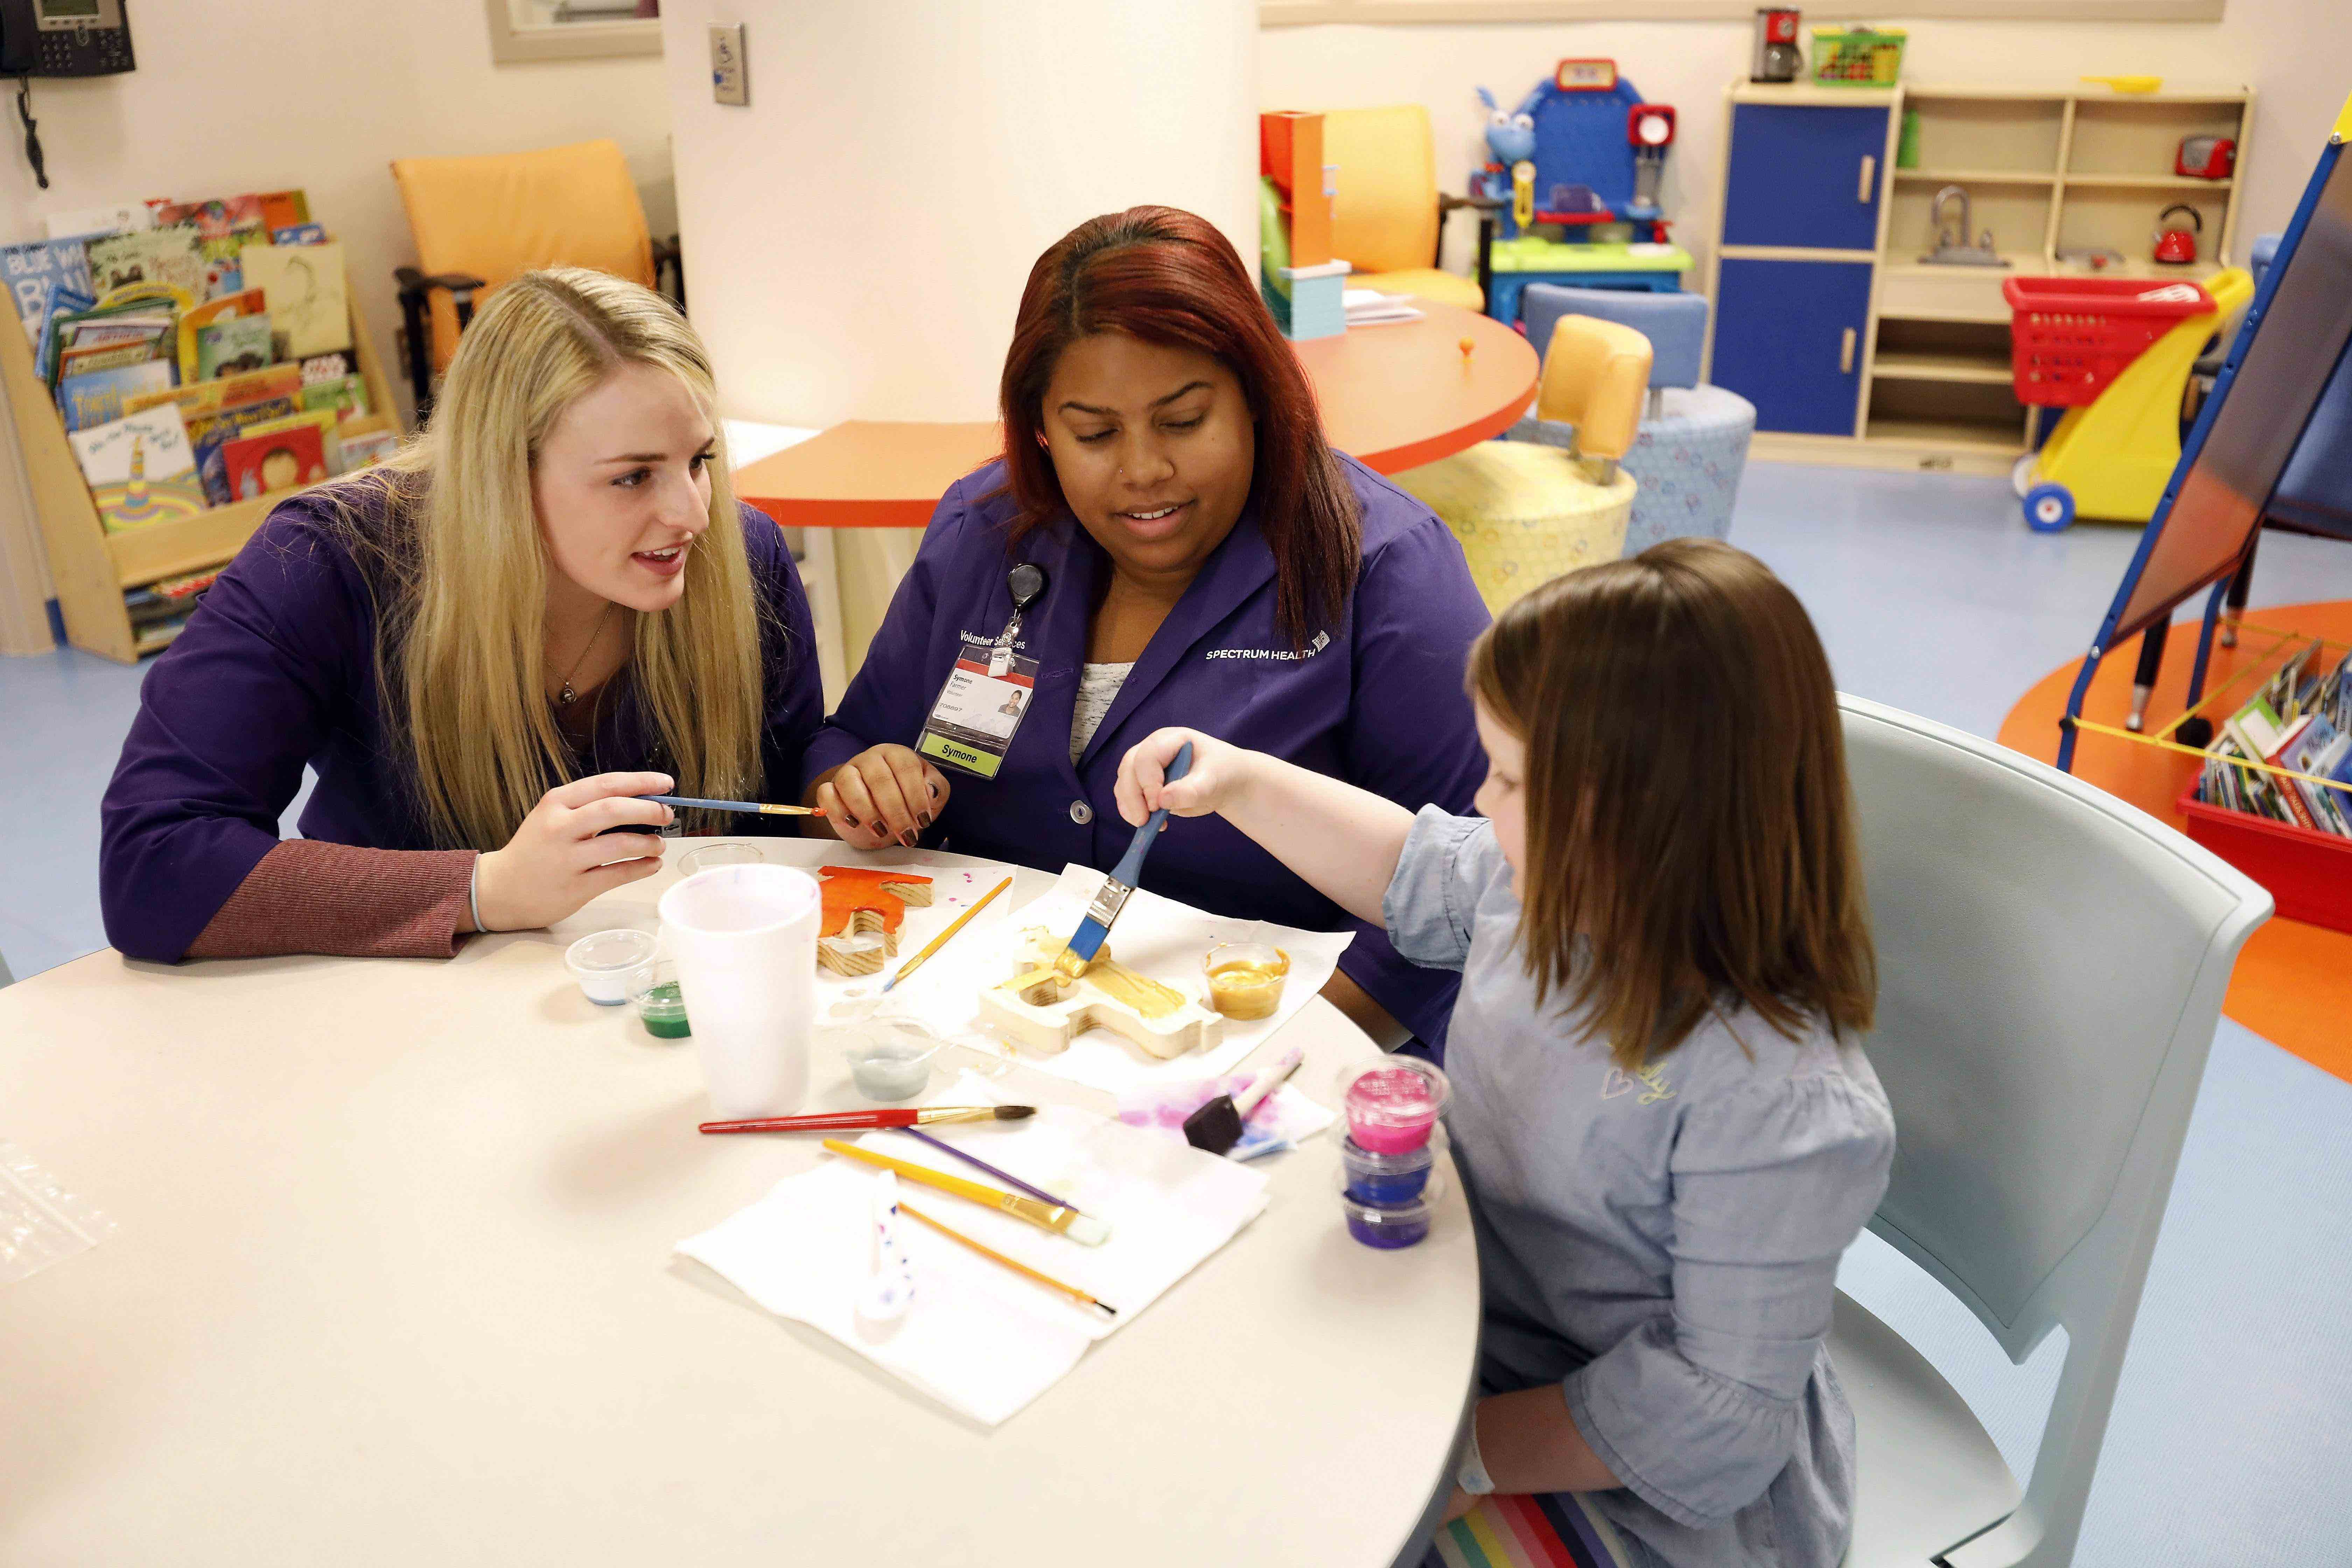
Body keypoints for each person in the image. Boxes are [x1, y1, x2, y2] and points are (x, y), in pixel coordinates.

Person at [1112, 541, 1893, 1568]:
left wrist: (1455, 1453)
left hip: (1641, 1483)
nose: (1483, 800)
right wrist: (1245, 782)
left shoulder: (1782, 1101)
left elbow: (1718, 1414)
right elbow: (1410, 867)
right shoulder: (1549, 887)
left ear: (1641, 816)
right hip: (1466, 1336)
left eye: (1511, 780)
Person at [802, 206, 1490, 1052]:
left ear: (1256, 401)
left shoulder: (1385, 565)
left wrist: (1275, 1064)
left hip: (1272, 1058)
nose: (1142, 471)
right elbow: (849, 741)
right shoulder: (984, 529)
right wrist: (859, 785)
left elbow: (1478, 893)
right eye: (1094, 433)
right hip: (985, 1030)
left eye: (1182, 421)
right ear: (1043, 431)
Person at [100, 268, 821, 962]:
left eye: (699, 460)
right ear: (502, 473)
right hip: (391, 1031)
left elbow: (792, 821)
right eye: (632, 476)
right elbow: (152, 861)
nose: (693, 513)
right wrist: (484, 890)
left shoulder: (741, 553)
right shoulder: (325, 560)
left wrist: (843, 777)